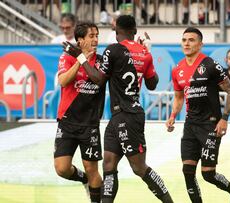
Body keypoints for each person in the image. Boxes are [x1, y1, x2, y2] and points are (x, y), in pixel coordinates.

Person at [62, 15, 173, 203]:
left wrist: (79, 57)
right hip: (119, 116)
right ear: (135, 31)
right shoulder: (144, 53)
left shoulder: (112, 50)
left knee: (139, 168)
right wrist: (148, 52)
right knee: (108, 165)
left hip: (127, 115)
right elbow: (153, 84)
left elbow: (98, 79)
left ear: (116, 32)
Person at [166, 27, 230, 203]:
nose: (187, 43)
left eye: (191, 40)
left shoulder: (209, 64)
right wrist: (172, 115)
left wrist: (224, 119)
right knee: (187, 172)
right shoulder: (177, 69)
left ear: (200, 44)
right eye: (184, 40)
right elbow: (179, 97)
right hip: (190, 125)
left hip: (210, 125)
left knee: (208, 174)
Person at [54, 21, 105, 203]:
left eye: (97, 36)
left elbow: (99, 80)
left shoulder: (101, 61)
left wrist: (83, 60)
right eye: (91, 36)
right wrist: (78, 60)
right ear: (80, 39)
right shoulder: (67, 57)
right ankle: (83, 180)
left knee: (93, 170)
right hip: (67, 121)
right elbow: (63, 81)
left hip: (89, 123)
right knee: (62, 168)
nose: (95, 39)